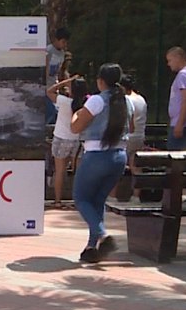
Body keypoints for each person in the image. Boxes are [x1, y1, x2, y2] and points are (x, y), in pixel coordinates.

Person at [69, 62, 133, 263]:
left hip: (96, 156)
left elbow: (76, 127)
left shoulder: (96, 100)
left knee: (80, 198)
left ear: (100, 81)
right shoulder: (126, 102)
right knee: (97, 200)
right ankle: (91, 247)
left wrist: (75, 115)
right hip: (119, 156)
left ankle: (102, 234)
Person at [46, 75, 87, 208]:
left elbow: (49, 91)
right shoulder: (86, 104)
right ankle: (78, 200)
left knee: (60, 171)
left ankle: (58, 200)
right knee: (78, 172)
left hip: (62, 138)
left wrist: (65, 82)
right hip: (78, 140)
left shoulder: (63, 101)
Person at [44, 27, 72, 127]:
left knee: (56, 112)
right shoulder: (49, 51)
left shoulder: (62, 54)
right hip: (46, 87)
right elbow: (45, 69)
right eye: (63, 41)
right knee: (51, 111)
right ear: (56, 40)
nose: (64, 45)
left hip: (53, 85)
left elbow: (60, 71)